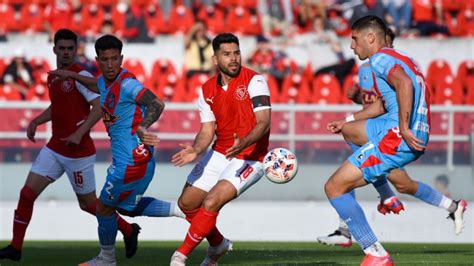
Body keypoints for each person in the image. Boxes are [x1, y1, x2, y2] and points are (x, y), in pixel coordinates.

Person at [318, 27, 468, 247]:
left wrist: (405, 127)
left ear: (374, 39)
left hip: (394, 134)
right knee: (350, 132)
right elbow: (383, 101)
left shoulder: (381, 60)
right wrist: (352, 112)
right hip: (384, 126)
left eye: (355, 39)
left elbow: (403, 87)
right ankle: (450, 206)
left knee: (339, 185)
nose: (352, 45)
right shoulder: (401, 62)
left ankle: (365, 240)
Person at [0, 29, 140, 262]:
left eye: (70, 48)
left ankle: (128, 229)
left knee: (88, 205)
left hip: (78, 153)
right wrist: (37, 120)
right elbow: (58, 107)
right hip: (55, 147)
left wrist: (78, 133)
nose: (65, 52)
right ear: (54, 49)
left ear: (76, 50)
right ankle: (15, 247)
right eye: (61, 48)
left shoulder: (80, 74)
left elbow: (98, 107)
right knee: (26, 194)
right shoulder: (53, 75)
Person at [49, 34, 184, 265]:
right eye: (105, 60)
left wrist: (143, 126)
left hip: (131, 161)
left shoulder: (128, 84)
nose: (110, 65)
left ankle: (106, 259)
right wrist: (71, 74)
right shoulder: (104, 82)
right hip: (128, 161)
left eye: (114, 59)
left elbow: (156, 103)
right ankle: (183, 209)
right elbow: (95, 84)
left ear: (121, 58)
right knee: (128, 210)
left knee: (103, 208)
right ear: (97, 60)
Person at [169, 33, 271, 266]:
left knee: (211, 202)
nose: (233, 59)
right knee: (187, 203)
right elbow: (207, 131)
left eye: (236, 53)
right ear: (215, 59)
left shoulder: (255, 81)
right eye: (227, 54)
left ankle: (180, 256)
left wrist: (243, 142)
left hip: (251, 157)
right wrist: (196, 150)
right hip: (220, 153)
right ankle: (218, 245)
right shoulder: (206, 90)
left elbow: (264, 122)